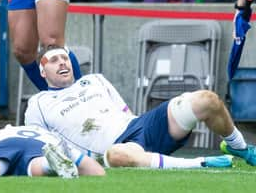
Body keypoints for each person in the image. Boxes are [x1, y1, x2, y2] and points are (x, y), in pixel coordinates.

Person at [24, 47, 255, 168]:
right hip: (116, 148)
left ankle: (239, 147)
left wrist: (148, 128)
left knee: (207, 100)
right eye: (53, 61)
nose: (62, 63)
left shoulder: (95, 80)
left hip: (141, 125)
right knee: (116, 156)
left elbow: (124, 111)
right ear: (43, 72)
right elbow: (39, 146)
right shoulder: (39, 104)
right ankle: (202, 164)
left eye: (64, 58)